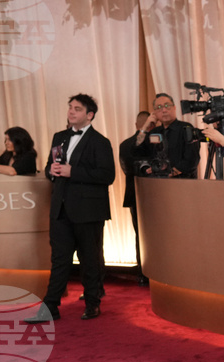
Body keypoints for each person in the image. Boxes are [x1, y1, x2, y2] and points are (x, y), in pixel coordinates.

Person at [26, 94, 115, 322]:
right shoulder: (60, 137)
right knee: (59, 260)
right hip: (60, 209)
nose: (71, 111)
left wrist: (72, 172)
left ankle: (93, 303)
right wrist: (51, 171)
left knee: (90, 259)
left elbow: (107, 176)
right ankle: (50, 308)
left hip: (88, 211)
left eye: (77, 108)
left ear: (90, 115)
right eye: (70, 107)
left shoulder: (100, 142)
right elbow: (51, 165)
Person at [134, 93, 200, 178]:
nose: (164, 110)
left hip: (182, 181)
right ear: (154, 113)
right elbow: (137, 151)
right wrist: (145, 127)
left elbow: (192, 160)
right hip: (158, 182)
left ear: (174, 108)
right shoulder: (154, 132)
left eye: (167, 106)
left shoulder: (186, 128)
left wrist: (170, 173)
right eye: (159, 107)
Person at [119, 110, 151, 285]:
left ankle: (144, 273)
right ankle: (146, 272)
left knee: (142, 235)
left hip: (140, 195)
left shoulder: (126, 144)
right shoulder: (130, 145)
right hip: (143, 194)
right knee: (144, 235)